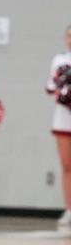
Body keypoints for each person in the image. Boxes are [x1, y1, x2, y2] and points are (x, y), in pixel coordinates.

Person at [46, 24, 71, 227]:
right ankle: (68, 209)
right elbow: (52, 88)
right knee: (66, 166)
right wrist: (64, 97)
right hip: (63, 119)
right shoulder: (59, 60)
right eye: (69, 36)